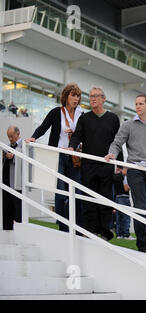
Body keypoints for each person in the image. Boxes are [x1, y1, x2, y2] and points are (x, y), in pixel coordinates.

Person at [105, 94, 146, 255]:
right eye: (136, 104)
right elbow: (117, 143)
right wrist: (112, 154)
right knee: (140, 208)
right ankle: (143, 246)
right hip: (135, 169)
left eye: (141, 104)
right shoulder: (128, 125)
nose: (138, 106)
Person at [26, 83, 84, 232]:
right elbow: (43, 127)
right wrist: (33, 137)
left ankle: (76, 226)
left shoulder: (82, 115)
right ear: (65, 96)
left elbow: (86, 135)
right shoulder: (56, 112)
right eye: (73, 95)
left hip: (74, 157)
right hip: (57, 155)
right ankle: (63, 226)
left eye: (77, 96)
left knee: (76, 192)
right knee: (60, 192)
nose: (75, 99)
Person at [68, 87, 120, 241]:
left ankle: (104, 231)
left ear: (104, 99)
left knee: (105, 198)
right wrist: (72, 146)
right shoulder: (84, 118)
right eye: (90, 96)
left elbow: (118, 142)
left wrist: (121, 165)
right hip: (88, 165)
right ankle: (91, 229)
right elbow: (77, 135)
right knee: (88, 198)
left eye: (96, 96)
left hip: (106, 164)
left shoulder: (113, 118)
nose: (93, 99)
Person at [2, 126, 23, 230]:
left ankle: (19, 230)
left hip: (17, 183)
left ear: (17, 134)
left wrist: (14, 157)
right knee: (6, 206)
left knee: (18, 208)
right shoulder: (7, 146)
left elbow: (28, 161)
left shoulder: (25, 145)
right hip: (6, 182)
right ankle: (7, 228)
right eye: (8, 136)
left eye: (11, 136)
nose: (10, 138)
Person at [112, 165, 134, 240]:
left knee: (118, 217)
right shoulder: (124, 177)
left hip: (117, 197)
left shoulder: (115, 176)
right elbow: (126, 188)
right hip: (124, 198)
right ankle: (126, 234)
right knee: (126, 217)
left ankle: (119, 234)